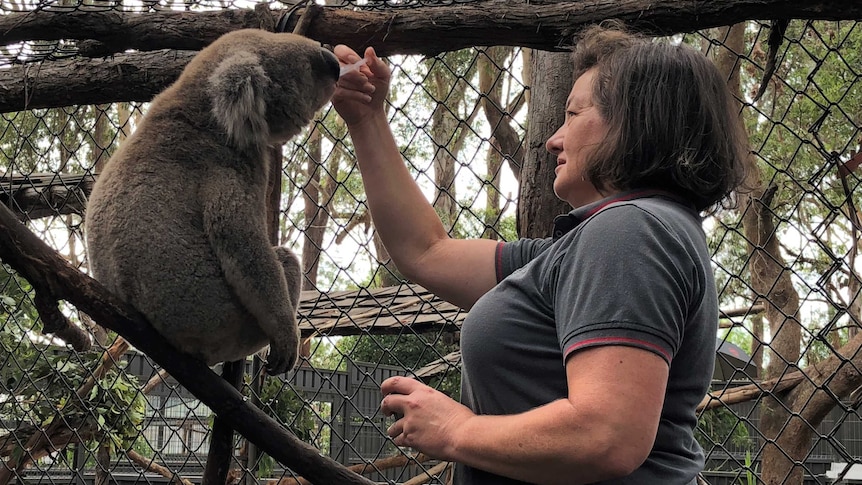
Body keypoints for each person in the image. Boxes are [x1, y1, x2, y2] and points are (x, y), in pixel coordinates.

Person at [331, 22, 752, 485]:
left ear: (636, 120)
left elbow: (606, 436)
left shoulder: (629, 231)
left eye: (572, 115)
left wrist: (456, 431)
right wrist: (368, 120)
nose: (554, 139)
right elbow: (427, 252)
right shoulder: (596, 244)